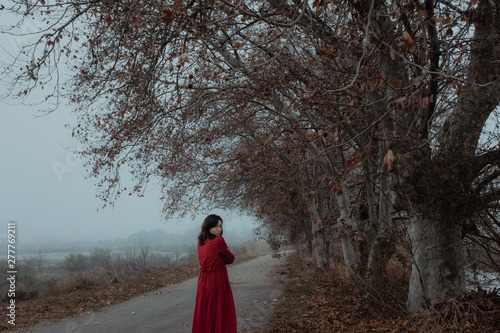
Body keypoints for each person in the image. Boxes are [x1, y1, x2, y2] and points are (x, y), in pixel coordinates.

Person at [192, 214, 237, 333]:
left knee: (205, 312)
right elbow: (231, 259)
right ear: (208, 227)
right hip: (217, 279)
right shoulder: (219, 240)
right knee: (220, 311)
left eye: (220, 226)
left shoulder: (200, 242)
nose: (219, 229)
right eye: (215, 226)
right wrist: (225, 253)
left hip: (203, 281)